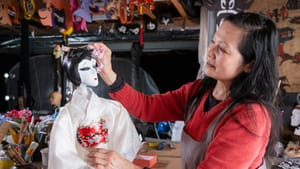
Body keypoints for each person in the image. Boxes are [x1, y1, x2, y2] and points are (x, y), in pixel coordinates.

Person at [87, 11, 282, 169]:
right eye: (213, 42)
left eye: (222, 49)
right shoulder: (199, 92)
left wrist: (126, 167)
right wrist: (107, 72)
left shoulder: (249, 118)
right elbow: (147, 108)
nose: (210, 52)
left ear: (249, 64)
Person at [48, 46, 142, 169]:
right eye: (86, 68)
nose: (93, 72)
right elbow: (62, 158)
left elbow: (127, 150)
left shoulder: (115, 109)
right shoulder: (66, 117)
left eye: (94, 66)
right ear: (74, 73)